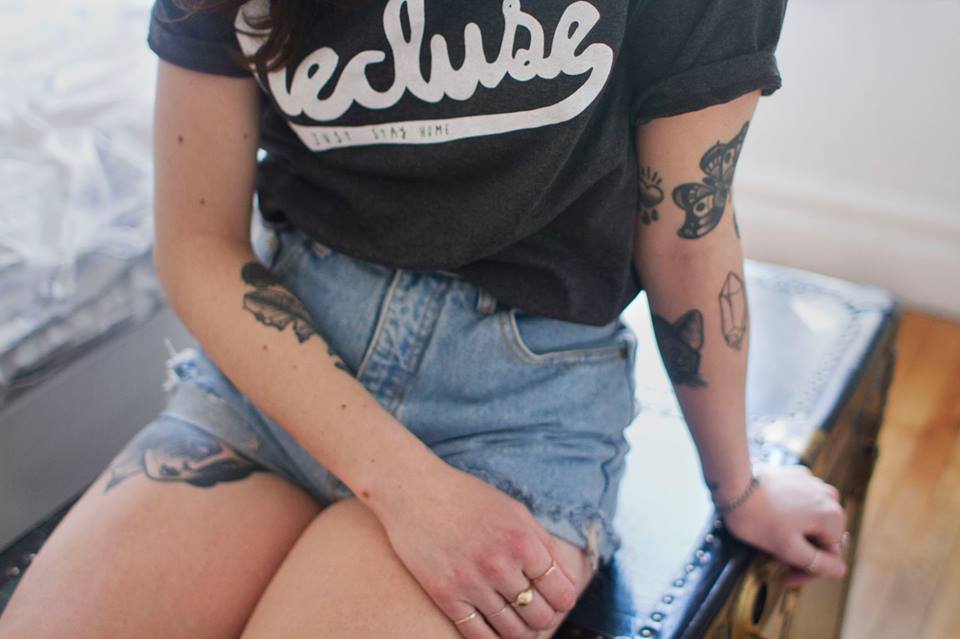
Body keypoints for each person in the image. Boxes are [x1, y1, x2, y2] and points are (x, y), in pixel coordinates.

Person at [0, 0, 849, 637]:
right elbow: (196, 243)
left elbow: (687, 236)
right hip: (282, 368)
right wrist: (405, 486)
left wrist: (737, 489)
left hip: (517, 417)